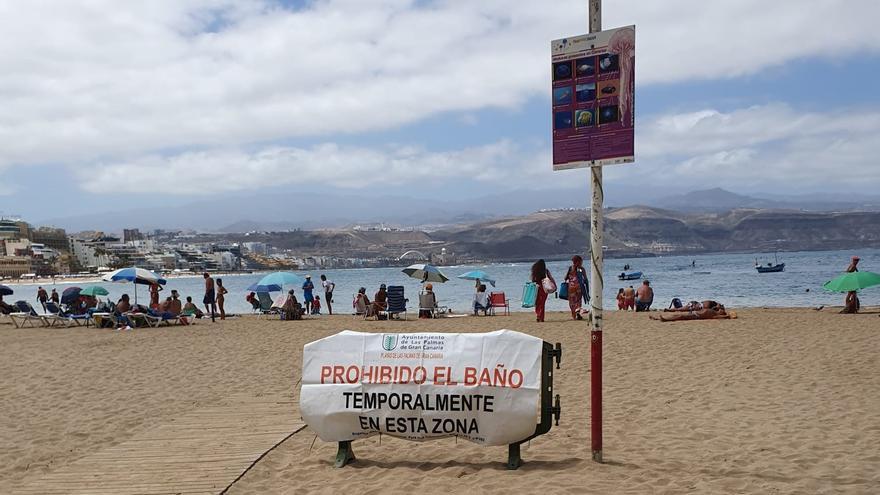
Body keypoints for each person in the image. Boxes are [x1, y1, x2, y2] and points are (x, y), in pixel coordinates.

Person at [651, 304, 734, 322]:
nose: (720, 309)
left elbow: (717, 318)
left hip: (695, 316)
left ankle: (665, 320)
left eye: (721, 310)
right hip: (694, 313)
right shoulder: (713, 311)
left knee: (679, 316)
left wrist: (727, 316)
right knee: (678, 315)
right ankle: (659, 318)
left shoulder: (715, 315)